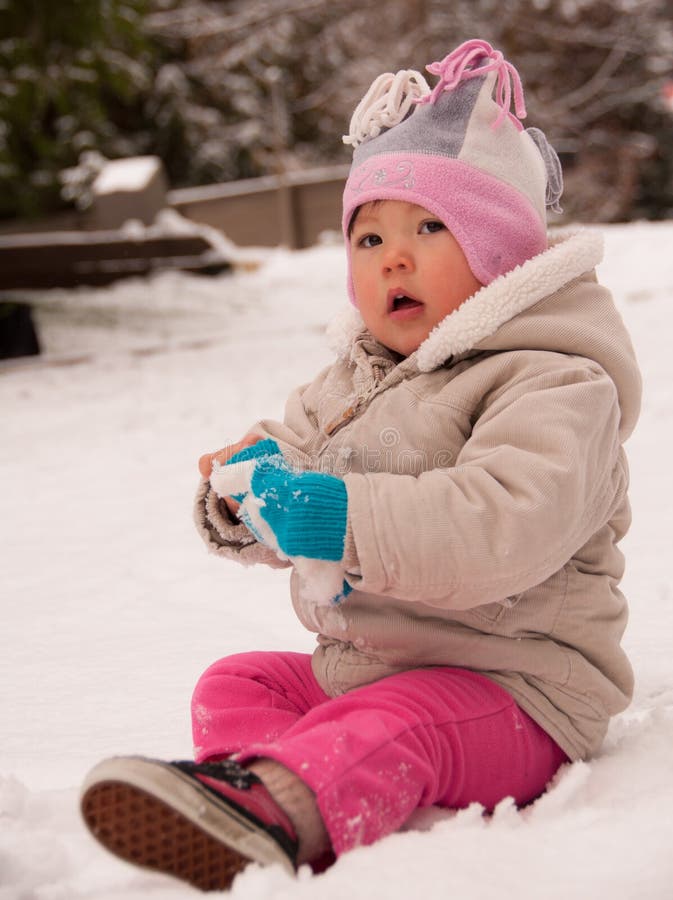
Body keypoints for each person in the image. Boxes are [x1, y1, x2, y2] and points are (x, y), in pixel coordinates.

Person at [80, 39, 641, 891]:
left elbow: (504, 524)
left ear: (502, 254)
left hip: (518, 689)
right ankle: (251, 793)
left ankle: (282, 809)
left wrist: (336, 517)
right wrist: (245, 493)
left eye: (429, 228)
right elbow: (296, 450)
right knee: (236, 681)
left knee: (393, 724)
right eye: (368, 236)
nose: (393, 258)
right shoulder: (357, 377)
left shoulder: (554, 380)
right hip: (373, 669)